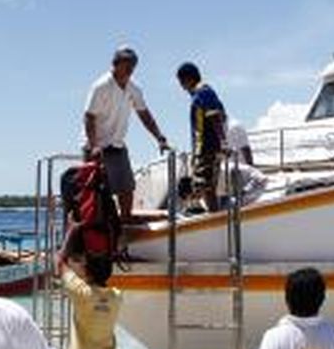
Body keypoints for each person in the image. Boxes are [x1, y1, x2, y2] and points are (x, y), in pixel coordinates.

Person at [82, 46, 169, 223]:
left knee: (127, 187)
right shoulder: (101, 86)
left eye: (133, 65)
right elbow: (89, 117)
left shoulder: (133, 88)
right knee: (96, 191)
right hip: (96, 146)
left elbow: (144, 114)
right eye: (127, 64)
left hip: (117, 144)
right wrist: (94, 145)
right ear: (115, 64)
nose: (131, 68)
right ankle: (93, 231)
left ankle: (125, 223)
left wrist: (159, 137)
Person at [176, 62, 228, 212]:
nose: (182, 87)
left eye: (182, 82)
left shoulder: (202, 91)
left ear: (188, 79)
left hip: (208, 147)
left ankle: (213, 217)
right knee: (205, 186)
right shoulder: (201, 93)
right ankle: (213, 214)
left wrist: (223, 142)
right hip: (203, 148)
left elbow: (215, 117)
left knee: (205, 186)